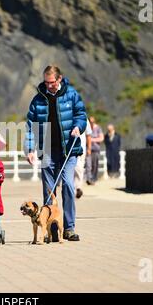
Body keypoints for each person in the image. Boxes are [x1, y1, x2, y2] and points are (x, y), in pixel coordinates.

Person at [25, 65, 87, 242]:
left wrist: (78, 127)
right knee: (49, 191)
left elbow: (81, 115)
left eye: (52, 82)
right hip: (47, 151)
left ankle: (68, 227)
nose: (49, 85)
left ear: (59, 79)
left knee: (67, 184)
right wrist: (30, 149)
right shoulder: (38, 99)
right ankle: (51, 229)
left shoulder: (72, 94)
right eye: (46, 82)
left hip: (68, 150)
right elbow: (31, 126)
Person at [74, 118, 92, 199]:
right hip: (69, 149)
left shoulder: (84, 119)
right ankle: (72, 188)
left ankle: (78, 188)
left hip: (81, 149)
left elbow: (88, 135)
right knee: (71, 169)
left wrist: (89, 148)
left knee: (79, 168)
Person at [86, 116, 104, 185]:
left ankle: (94, 179)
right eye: (90, 122)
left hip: (96, 149)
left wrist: (92, 140)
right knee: (88, 165)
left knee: (95, 165)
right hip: (88, 149)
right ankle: (89, 179)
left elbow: (101, 138)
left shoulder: (98, 128)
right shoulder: (87, 128)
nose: (91, 123)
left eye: (92, 122)